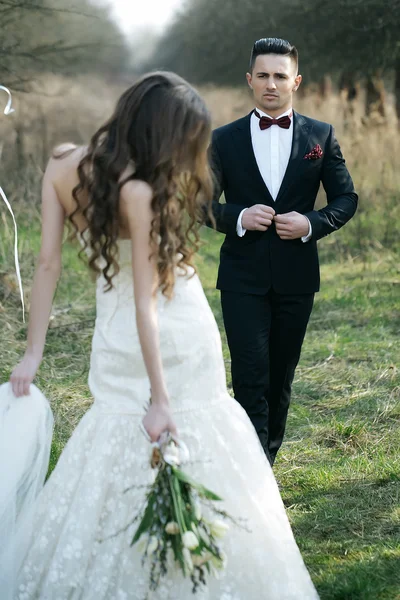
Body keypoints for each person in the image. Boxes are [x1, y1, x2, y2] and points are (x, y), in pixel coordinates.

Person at [0, 72, 319, 599]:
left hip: (113, 334)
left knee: (112, 435)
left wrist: (33, 352)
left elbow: (47, 264)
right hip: (171, 332)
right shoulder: (141, 191)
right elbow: (149, 304)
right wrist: (162, 397)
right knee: (188, 428)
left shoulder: (61, 162)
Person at [209, 38, 358, 466]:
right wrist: (237, 217)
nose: (271, 84)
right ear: (249, 80)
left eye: (279, 76)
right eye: (263, 75)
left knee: (280, 377)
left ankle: (266, 456)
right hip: (241, 277)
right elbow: (198, 203)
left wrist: (312, 223)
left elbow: (346, 199)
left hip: (296, 277)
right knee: (249, 374)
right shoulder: (224, 139)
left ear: (296, 81)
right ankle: (254, 470)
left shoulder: (320, 135)